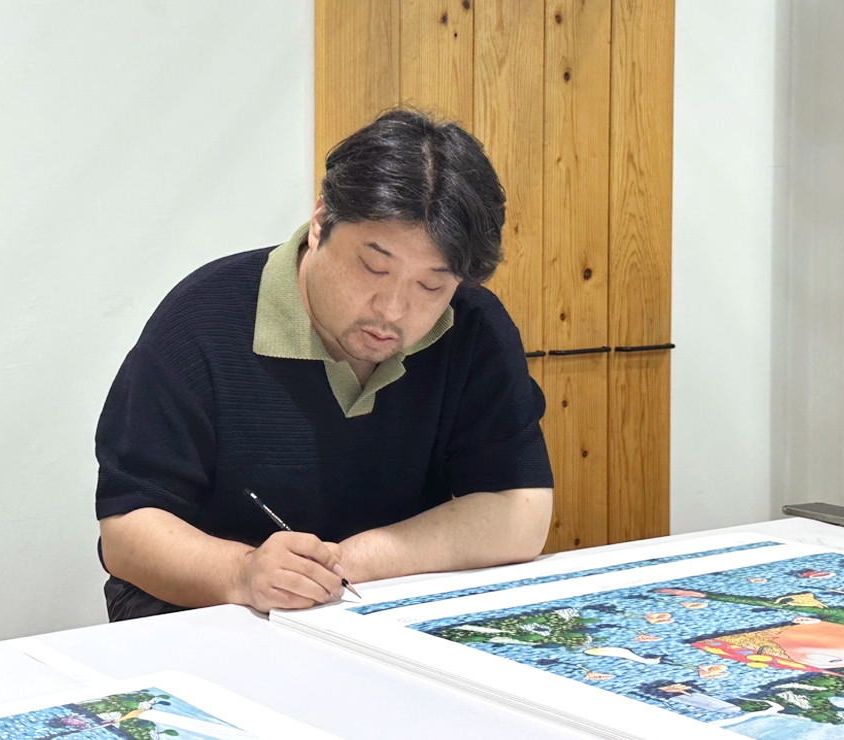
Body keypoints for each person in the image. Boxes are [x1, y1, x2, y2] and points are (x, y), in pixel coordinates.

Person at [94, 107, 554, 622]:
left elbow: (520, 513)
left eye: (431, 285)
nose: (392, 310)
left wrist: (347, 562)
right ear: (320, 222)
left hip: (371, 607)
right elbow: (127, 532)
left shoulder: (473, 327)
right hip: (208, 616)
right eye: (373, 267)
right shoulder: (203, 319)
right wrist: (242, 573)